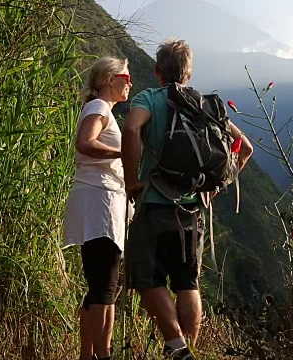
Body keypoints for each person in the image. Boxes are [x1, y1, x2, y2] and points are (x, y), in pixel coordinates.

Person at [122, 38, 252, 359]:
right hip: (192, 209)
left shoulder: (149, 98)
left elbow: (130, 129)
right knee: (187, 283)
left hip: (155, 203)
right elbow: (244, 147)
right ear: (189, 74)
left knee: (144, 275)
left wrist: (131, 181)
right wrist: (217, 185)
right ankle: (187, 351)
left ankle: (178, 346)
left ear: (156, 71)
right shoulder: (206, 106)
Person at [63, 56, 133, 360]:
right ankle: (101, 354)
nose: (130, 83)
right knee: (105, 286)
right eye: (126, 78)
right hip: (100, 203)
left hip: (100, 203)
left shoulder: (103, 110)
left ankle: (87, 354)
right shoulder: (99, 108)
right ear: (109, 79)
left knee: (99, 285)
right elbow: (85, 142)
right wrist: (124, 152)